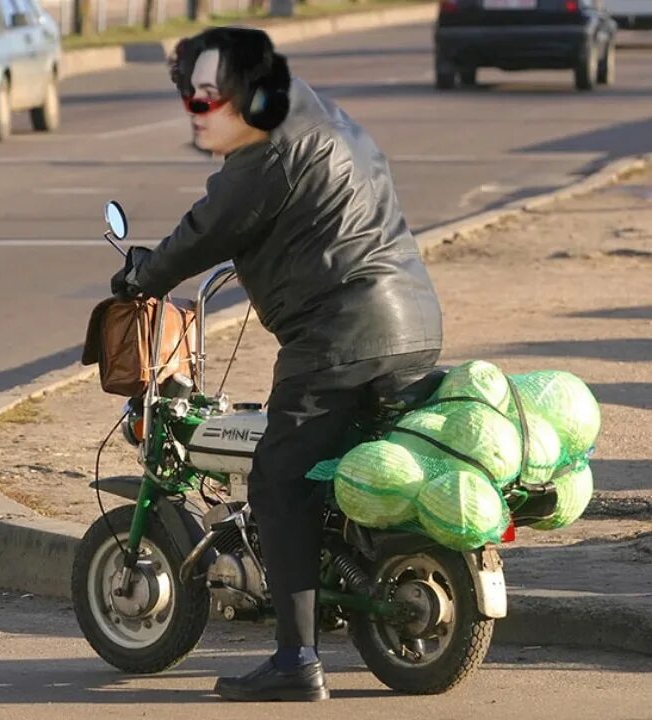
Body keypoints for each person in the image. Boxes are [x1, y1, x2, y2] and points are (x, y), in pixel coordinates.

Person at [110, 27, 443, 702]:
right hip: (414, 322)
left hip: (340, 336)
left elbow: (212, 225)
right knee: (336, 462)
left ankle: (297, 659)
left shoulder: (262, 145)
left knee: (279, 479)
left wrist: (144, 273)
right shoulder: (319, 112)